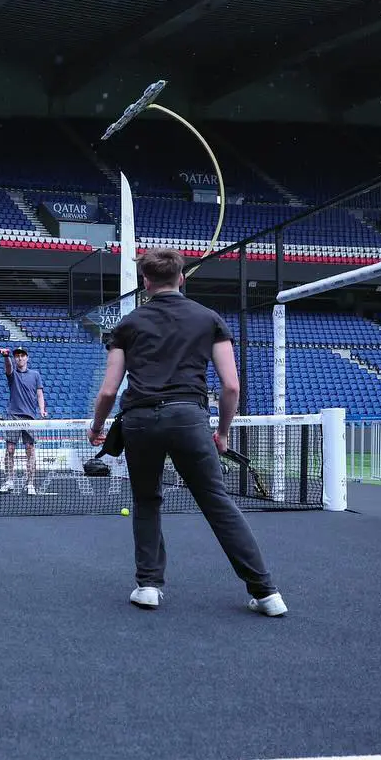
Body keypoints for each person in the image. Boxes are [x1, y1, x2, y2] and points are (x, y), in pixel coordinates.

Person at [87, 248, 286, 616]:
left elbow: (109, 391)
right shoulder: (208, 318)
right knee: (217, 502)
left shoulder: (127, 325)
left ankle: (148, 586)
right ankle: (267, 593)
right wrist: (223, 432)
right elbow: (231, 387)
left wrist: (97, 428)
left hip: (140, 422)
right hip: (188, 419)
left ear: (146, 283)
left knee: (147, 501)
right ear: (181, 278)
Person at [0, 346, 46, 495]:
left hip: (30, 417)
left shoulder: (35, 374)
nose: (20, 358)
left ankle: (31, 484)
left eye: (22, 355)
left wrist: (42, 409)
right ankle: (9, 481)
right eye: (17, 356)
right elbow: (8, 367)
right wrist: (6, 356)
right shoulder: (12, 374)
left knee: (30, 450)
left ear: (27, 358)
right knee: (10, 450)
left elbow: (39, 394)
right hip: (13, 415)